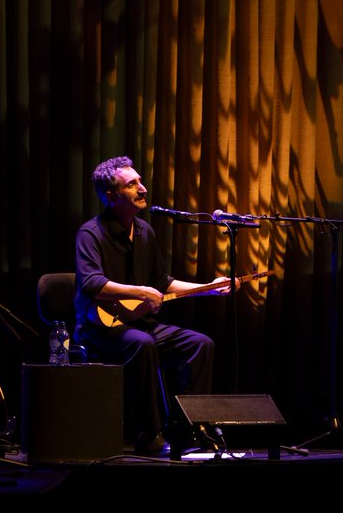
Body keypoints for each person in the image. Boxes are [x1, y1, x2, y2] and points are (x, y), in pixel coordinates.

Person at [73, 156, 234, 455]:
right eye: (132, 184)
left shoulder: (145, 231)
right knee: (142, 344)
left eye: (140, 181)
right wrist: (141, 291)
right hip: (100, 329)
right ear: (110, 196)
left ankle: (190, 431)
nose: (142, 188)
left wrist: (208, 288)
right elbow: (92, 284)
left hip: (141, 324)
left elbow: (162, 282)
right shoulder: (90, 234)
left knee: (200, 344)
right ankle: (149, 433)